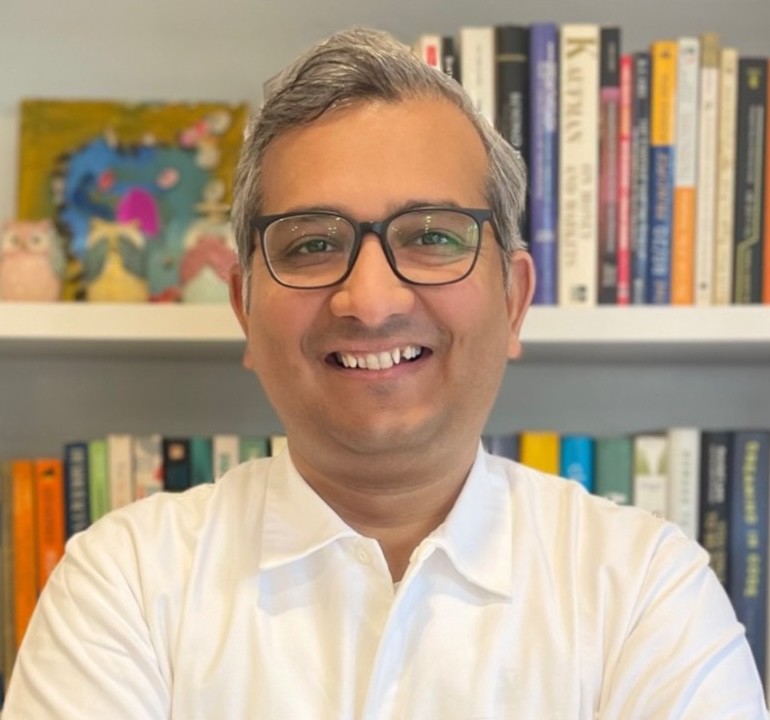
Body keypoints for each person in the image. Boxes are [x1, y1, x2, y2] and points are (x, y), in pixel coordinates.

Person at [4, 27, 768, 719]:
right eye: (311, 244)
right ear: (244, 308)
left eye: (432, 236)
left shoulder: (643, 587)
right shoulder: (127, 582)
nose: (370, 302)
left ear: (514, 301)